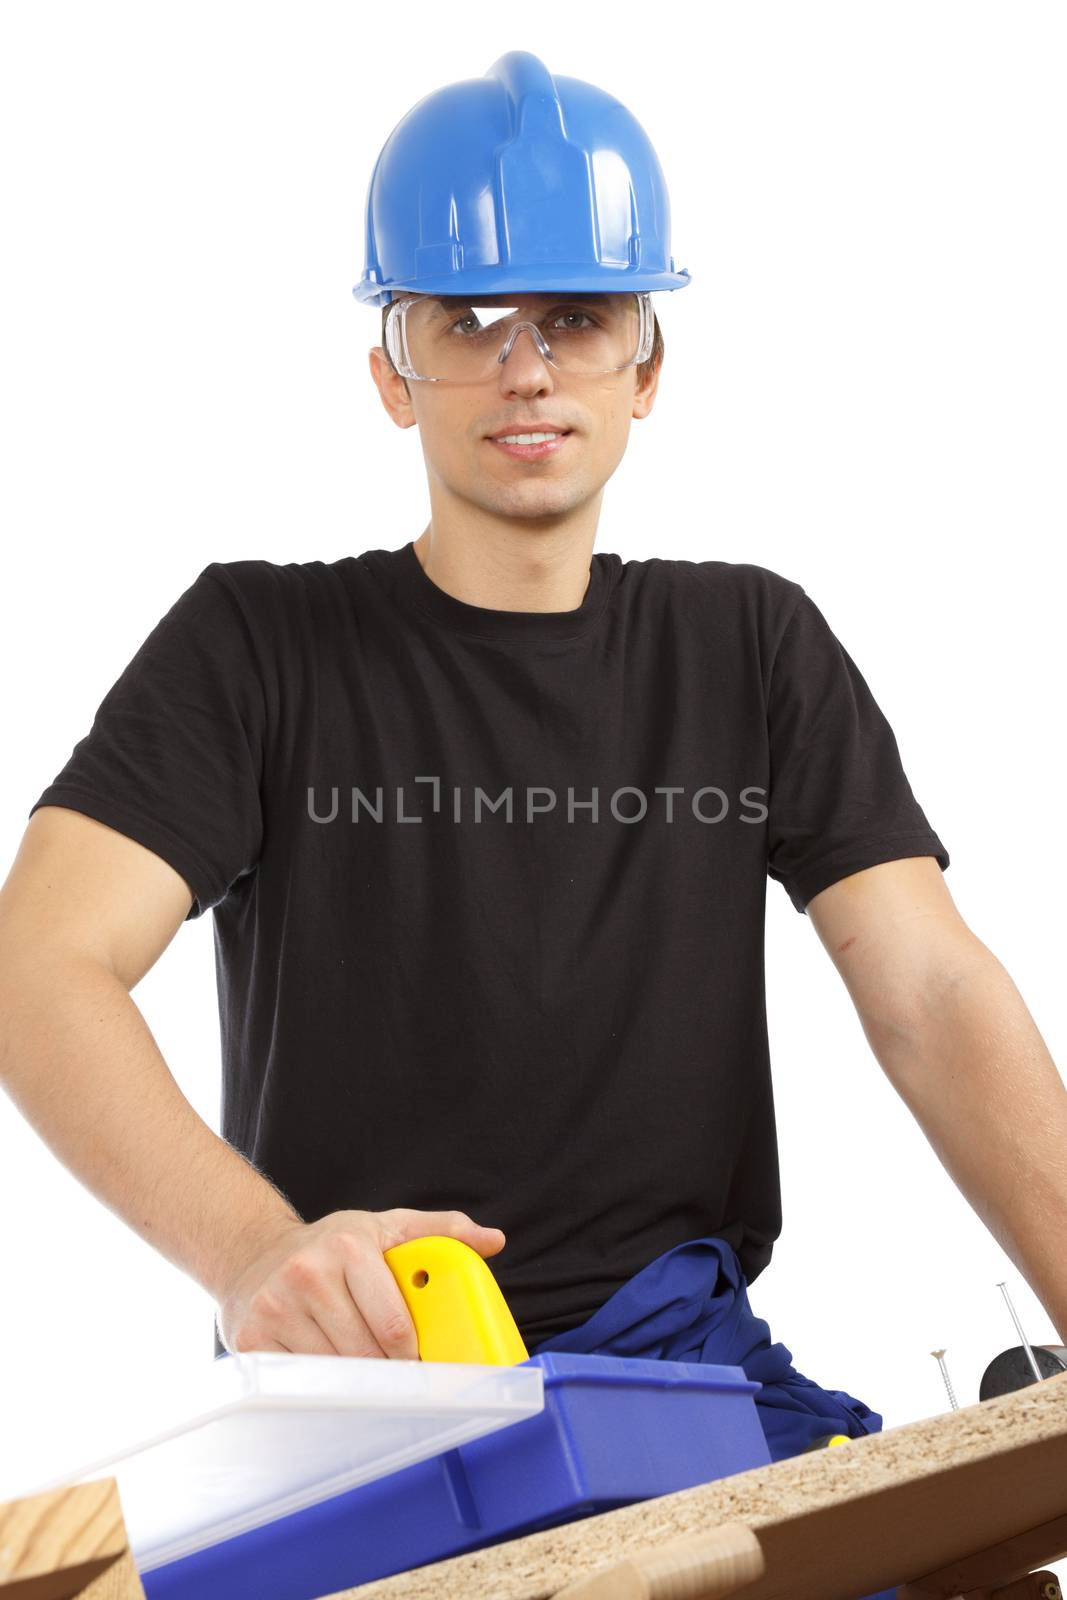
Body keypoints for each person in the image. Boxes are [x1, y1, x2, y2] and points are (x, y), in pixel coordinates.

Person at [2, 55, 1064, 1526]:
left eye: (576, 318)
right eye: (471, 322)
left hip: (672, 1379)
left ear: (648, 366)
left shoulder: (746, 644)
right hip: (372, 1402)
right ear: (392, 368)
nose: (528, 366)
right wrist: (254, 1253)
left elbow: (930, 991)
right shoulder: (255, 646)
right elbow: (40, 965)